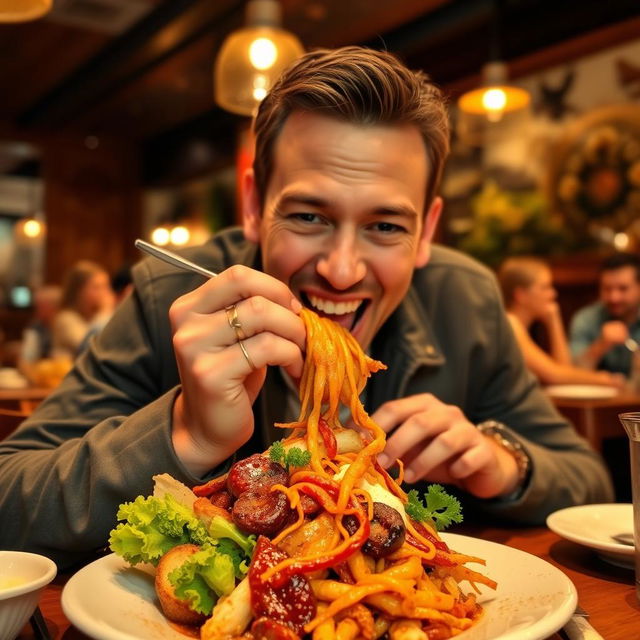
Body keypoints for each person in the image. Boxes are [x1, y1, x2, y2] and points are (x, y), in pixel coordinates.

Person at [0, 47, 613, 569]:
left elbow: (588, 480)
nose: (342, 270)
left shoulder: (467, 300)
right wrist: (184, 433)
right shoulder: (170, 296)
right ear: (252, 204)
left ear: (426, 231)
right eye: (308, 216)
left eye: (385, 226)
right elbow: (9, 498)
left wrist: (502, 463)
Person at [498, 256, 623, 387]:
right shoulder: (510, 324)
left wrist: (554, 321)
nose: (553, 294)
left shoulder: (516, 325)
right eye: (545, 287)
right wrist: (605, 379)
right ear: (520, 295)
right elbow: (554, 375)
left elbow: (564, 369)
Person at [570, 252, 640, 376]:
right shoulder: (586, 319)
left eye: (623, 289)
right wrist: (601, 345)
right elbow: (571, 372)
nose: (614, 297)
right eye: (607, 289)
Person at [51, 260, 115, 360]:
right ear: (79, 291)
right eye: (97, 287)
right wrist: (105, 312)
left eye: (106, 287)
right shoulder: (65, 318)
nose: (105, 293)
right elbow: (89, 347)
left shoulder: (95, 316)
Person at [18, 285, 62, 367]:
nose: (36, 310)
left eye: (40, 307)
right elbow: (28, 356)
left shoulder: (64, 325)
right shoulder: (35, 327)